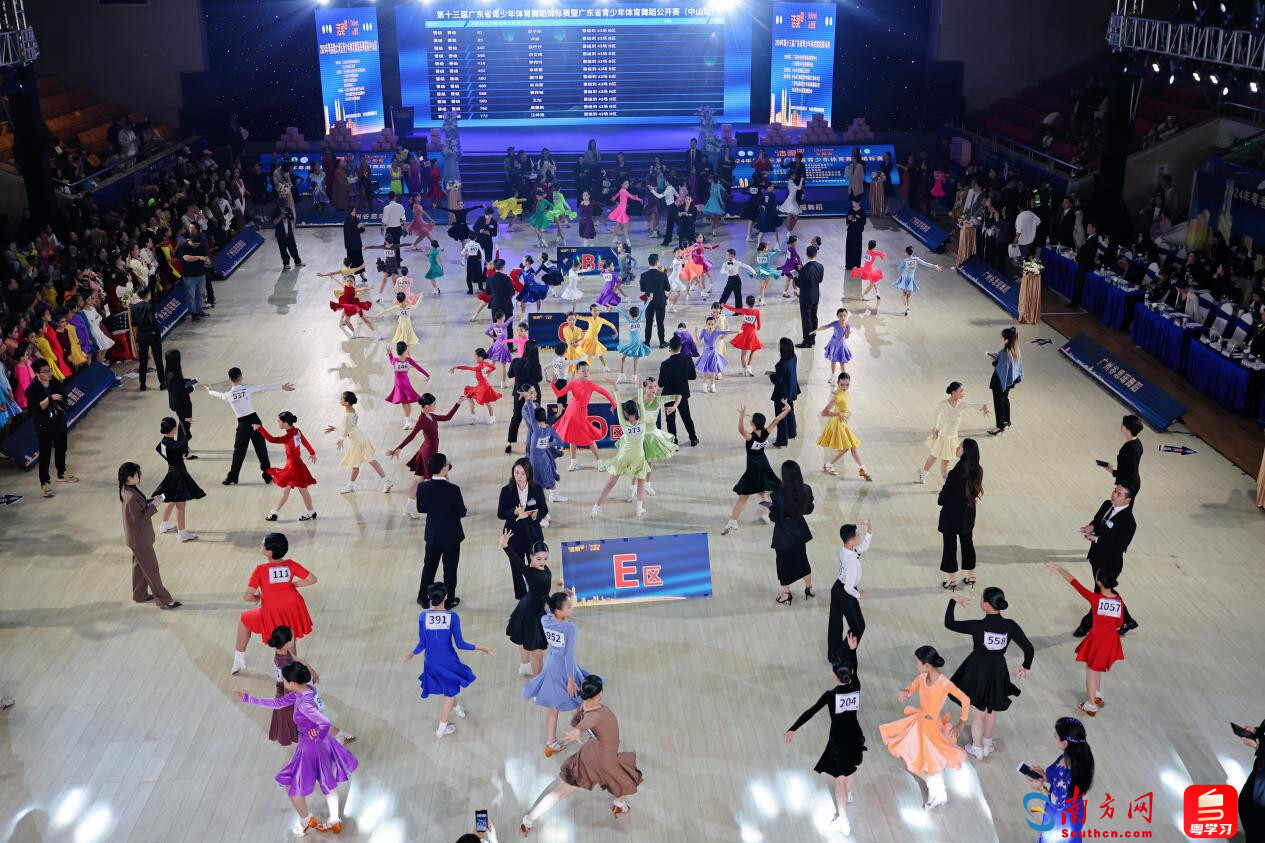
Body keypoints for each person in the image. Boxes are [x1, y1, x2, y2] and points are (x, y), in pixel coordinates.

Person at [233, 662, 358, 835]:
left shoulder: (304, 703)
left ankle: (306, 820)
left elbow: (325, 722)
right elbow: (278, 703)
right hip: (322, 744)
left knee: (290, 784)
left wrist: (316, 736)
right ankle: (334, 821)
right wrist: (248, 699)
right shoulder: (306, 690)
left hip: (311, 746)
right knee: (328, 783)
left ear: (292, 682)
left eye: (284, 679)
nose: (282, 681)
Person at [519, 675, 642, 835]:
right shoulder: (598, 714)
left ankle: (528, 820)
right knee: (621, 777)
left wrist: (576, 732)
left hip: (592, 752)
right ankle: (619, 803)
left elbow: (582, 723)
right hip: (603, 758)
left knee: (565, 790)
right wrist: (574, 733)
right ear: (599, 694)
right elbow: (584, 724)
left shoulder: (584, 706)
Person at [878, 645, 970, 810]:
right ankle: (936, 788)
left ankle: (937, 791)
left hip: (931, 728)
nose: (915, 665)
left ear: (926, 665)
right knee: (911, 757)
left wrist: (961, 723)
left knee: (931, 760)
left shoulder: (944, 683)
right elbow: (911, 687)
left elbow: (965, 700)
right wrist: (906, 692)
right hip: (919, 723)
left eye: (917, 662)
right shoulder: (922, 677)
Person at [945, 589, 1034, 760]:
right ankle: (987, 743)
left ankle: (977, 748)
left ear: (985, 605)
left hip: (978, 670)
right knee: (991, 708)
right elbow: (1029, 649)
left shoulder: (978, 626)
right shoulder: (1010, 625)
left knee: (978, 711)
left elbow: (949, 623)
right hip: (998, 670)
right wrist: (1026, 666)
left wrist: (953, 602)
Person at [784, 655, 865, 836]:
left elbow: (811, 711)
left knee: (840, 779)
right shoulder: (856, 686)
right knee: (851, 768)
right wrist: (852, 651)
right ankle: (846, 795)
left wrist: (793, 728)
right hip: (855, 736)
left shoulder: (831, 695)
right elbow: (856, 668)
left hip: (839, 740)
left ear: (835, 676)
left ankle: (843, 821)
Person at [403, 583, 494, 738]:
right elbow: (460, 644)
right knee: (449, 693)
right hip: (448, 661)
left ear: (429, 597)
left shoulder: (423, 617)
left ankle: (456, 707)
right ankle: (441, 729)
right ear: (446, 597)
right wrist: (481, 647)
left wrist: (411, 654)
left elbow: (422, 644)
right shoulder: (453, 617)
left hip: (431, 661)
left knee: (448, 686)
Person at [1043, 563, 1125, 717]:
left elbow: (1075, 583)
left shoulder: (1095, 599)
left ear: (1098, 582)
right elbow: (1119, 623)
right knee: (1097, 666)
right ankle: (1097, 694)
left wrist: (1059, 568)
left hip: (1097, 640)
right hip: (1111, 640)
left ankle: (1091, 705)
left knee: (1091, 671)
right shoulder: (1119, 600)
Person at [232, 533, 316, 675]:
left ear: (269, 552)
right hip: (293, 606)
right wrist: (293, 584)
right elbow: (312, 579)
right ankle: (292, 672)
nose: (261, 545)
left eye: (263, 544)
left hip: (273, 609)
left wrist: (257, 598)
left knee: (244, 619)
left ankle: (238, 660)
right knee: (289, 638)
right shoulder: (291, 564)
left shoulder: (260, 570)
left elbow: (247, 596)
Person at [526, 590, 591, 754]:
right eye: (568, 606)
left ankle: (551, 742)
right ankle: (585, 726)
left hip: (551, 664)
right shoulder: (570, 628)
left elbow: (550, 613)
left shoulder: (545, 620)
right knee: (584, 695)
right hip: (565, 667)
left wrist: (564, 596)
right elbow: (569, 656)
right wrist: (571, 680)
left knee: (553, 707)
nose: (572, 608)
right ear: (558, 610)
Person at [206, 369, 295, 486]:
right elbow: (263, 387)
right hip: (255, 421)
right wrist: (281, 387)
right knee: (261, 449)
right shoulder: (247, 389)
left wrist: (209, 391)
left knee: (239, 452)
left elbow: (220, 395)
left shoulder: (228, 395)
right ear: (241, 377)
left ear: (230, 379)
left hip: (243, 425)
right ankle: (267, 476)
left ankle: (233, 477)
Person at [1073, 484, 1139, 637]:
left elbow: (1119, 547)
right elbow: (1098, 521)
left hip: (1110, 563)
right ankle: (1128, 620)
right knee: (1105, 592)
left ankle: (1086, 624)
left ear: (1127, 500)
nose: (1114, 494)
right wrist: (1091, 527)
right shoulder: (1107, 504)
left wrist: (1097, 539)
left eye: (1119, 494)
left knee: (1099, 595)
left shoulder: (1129, 522)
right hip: (1096, 557)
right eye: (1115, 491)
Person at [722, 400, 792, 534]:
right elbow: (777, 419)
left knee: (744, 496)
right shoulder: (767, 432)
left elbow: (740, 430)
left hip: (753, 467)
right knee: (762, 492)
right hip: (764, 464)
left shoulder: (750, 437)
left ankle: (733, 521)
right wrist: (787, 409)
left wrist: (741, 417)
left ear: (753, 424)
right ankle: (766, 514)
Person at [118, 462, 180, 609]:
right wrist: (154, 506)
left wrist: (151, 501)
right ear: (130, 478)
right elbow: (139, 519)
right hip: (140, 540)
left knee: (140, 567)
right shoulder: (131, 496)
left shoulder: (128, 490)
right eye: (136, 474)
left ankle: (139, 594)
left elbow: (139, 508)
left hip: (135, 539)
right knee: (152, 569)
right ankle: (164, 600)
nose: (139, 475)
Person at [389, 393, 463, 516]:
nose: (436, 405)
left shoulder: (431, 416)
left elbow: (448, 417)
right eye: (434, 404)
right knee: (440, 479)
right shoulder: (422, 420)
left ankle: (408, 508)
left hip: (429, 452)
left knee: (421, 482)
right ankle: (450, 506)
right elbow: (411, 436)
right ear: (427, 406)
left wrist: (458, 403)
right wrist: (399, 448)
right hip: (428, 455)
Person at [1024, 718, 1095, 842]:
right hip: (1075, 808)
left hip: (1060, 819)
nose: (1055, 737)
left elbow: (1056, 803)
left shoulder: (1064, 768)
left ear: (1065, 743)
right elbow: (1065, 783)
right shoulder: (1081, 757)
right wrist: (1045, 777)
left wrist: (1040, 788)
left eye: (1056, 735)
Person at [498, 458, 549, 600]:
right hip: (513, 535)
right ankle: (522, 597)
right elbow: (500, 513)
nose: (519, 476)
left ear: (528, 474)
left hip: (532, 534)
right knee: (516, 567)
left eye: (522, 473)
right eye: (516, 472)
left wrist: (535, 516)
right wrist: (514, 512)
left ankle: (537, 594)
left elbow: (544, 509)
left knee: (536, 566)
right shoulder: (506, 491)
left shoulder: (536, 489)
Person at [551, 360, 617, 471]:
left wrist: (614, 404)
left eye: (587, 370)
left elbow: (605, 392)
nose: (586, 372)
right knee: (572, 438)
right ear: (577, 372)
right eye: (583, 371)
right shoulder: (573, 383)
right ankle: (573, 462)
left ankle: (599, 462)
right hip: (570, 414)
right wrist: (552, 384)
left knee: (589, 439)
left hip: (581, 416)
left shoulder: (590, 385)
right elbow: (559, 393)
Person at [591, 399, 651, 518]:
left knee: (610, 483)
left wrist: (615, 390)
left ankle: (596, 507)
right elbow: (640, 399)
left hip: (624, 456)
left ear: (626, 414)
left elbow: (618, 404)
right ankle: (639, 509)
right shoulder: (642, 422)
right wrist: (639, 388)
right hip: (638, 456)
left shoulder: (624, 423)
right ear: (637, 410)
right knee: (641, 480)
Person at [255, 412, 318, 522]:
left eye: (279, 421)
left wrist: (260, 428)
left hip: (293, 467)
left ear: (285, 423)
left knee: (297, 490)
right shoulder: (296, 431)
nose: (277, 423)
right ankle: (310, 512)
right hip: (297, 464)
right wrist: (312, 452)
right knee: (299, 490)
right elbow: (304, 441)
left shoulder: (288, 436)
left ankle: (275, 513)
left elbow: (271, 439)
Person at [920, 382, 988, 484]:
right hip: (943, 435)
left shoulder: (962, 405)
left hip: (952, 437)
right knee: (933, 456)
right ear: (953, 392)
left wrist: (984, 406)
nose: (963, 393)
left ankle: (946, 483)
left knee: (945, 461)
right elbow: (937, 414)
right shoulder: (943, 404)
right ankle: (924, 473)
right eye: (961, 391)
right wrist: (935, 426)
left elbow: (973, 406)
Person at [938, 438, 984, 590]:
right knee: (967, 543)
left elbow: (944, 496)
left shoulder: (956, 473)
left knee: (950, 546)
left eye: (960, 446)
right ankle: (971, 576)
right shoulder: (978, 470)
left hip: (951, 514)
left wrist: (941, 497)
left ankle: (952, 580)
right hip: (968, 513)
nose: (957, 447)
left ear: (965, 452)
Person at [323, 390, 390, 494]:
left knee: (357, 463)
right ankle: (386, 481)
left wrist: (340, 439)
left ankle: (351, 486)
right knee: (365, 462)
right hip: (360, 438)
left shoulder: (347, 415)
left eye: (341, 398)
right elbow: (348, 428)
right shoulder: (351, 410)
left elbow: (346, 430)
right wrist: (335, 429)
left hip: (357, 442)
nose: (339, 400)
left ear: (346, 402)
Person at [504, 533, 552, 677]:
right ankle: (536, 680)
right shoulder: (530, 572)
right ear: (531, 557)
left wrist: (553, 605)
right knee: (538, 652)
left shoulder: (545, 569)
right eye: (538, 558)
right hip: (530, 612)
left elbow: (545, 593)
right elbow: (517, 562)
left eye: (545, 558)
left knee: (526, 640)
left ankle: (525, 667)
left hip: (534, 608)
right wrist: (505, 546)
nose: (542, 562)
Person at [25, 359, 75, 497]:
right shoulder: (32, 390)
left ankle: (61, 472)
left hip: (58, 421)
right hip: (44, 425)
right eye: (45, 372)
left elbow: (63, 396)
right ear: (37, 373)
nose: (49, 373)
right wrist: (50, 398)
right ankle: (45, 482)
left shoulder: (55, 382)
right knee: (45, 454)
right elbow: (37, 408)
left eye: (50, 370)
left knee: (61, 447)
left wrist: (62, 405)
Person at [769, 460, 815, 604]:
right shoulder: (806, 489)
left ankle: (786, 594)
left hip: (783, 534)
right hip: (800, 530)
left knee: (783, 564)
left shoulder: (777, 495)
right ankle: (809, 589)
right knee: (802, 559)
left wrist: (770, 509)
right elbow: (809, 509)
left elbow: (774, 517)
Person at [828, 520, 873, 667]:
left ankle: (833, 653)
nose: (859, 535)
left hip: (837, 588)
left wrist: (869, 529)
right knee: (858, 627)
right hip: (845, 593)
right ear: (852, 539)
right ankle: (840, 656)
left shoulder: (847, 549)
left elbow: (863, 547)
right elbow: (848, 587)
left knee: (835, 622)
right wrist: (859, 595)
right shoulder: (851, 561)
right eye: (857, 534)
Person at [153, 417, 203, 542]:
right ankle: (182, 533)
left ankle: (164, 525)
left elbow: (160, 450)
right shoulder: (174, 445)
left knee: (172, 500)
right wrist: (184, 424)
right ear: (174, 429)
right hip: (179, 474)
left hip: (171, 473)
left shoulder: (163, 443)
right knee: (181, 504)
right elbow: (187, 437)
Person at [817, 372, 870, 480]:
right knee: (846, 447)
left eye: (847, 385)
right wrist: (838, 413)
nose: (845, 387)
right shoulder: (837, 396)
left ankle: (863, 469)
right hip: (838, 424)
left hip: (842, 423)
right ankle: (828, 466)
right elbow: (824, 413)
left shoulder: (843, 393)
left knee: (853, 447)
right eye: (842, 384)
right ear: (838, 383)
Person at [658, 336, 698, 445]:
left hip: (668, 396)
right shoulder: (687, 359)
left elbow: (660, 384)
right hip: (682, 393)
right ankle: (693, 438)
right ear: (680, 347)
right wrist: (683, 378)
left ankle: (674, 442)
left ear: (669, 348)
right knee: (686, 417)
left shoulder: (665, 364)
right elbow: (693, 376)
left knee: (670, 420)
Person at [505, 339, 542, 453]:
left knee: (516, 417)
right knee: (535, 418)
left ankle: (509, 443)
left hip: (519, 392)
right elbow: (539, 379)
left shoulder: (516, 361)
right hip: (534, 394)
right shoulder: (536, 365)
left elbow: (509, 374)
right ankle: (534, 443)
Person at [128, 284, 166, 392]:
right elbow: (152, 321)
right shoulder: (150, 306)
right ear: (148, 295)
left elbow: (134, 323)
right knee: (158, 359)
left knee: (143, 360)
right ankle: (162, 383)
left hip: (142, 335)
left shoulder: (134, 307)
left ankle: (142, 384)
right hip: (153, 334)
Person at [987, 327, 1023, 435]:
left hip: (999, 382)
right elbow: (1013, 366)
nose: (1001, 338)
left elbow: (1000, 367)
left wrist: (995, 360)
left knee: (998, 403)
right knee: (1005, 399)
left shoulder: (1004, 353)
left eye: (1002, 337)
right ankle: (1007, 421)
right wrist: (998, 357)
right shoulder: (1016, 349)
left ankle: (999, 427)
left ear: (1006, 340)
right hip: (1009, 381)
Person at [1234, 717, 1265, 839]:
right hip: (1260, 770)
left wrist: (1256, 747)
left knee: (1258, 815)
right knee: (1245, 803)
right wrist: (1256, 731)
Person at [893, 245, 942, 316]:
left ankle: (906, 307)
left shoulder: (905, 261)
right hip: (911, 278)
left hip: (904, 277)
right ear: (912, 252)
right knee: (908, 295)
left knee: (903, 294)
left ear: (906, 253)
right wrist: (934, 266)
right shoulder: (916, 259)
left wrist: (900, 266)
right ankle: (907, 307)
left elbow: (898, 268)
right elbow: (925, 263)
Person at [177, 222, 211, 320]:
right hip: (189, 276)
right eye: (194, 244)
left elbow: (206, 256)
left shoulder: (200, 246)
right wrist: (199, 257)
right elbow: (186, 258)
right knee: (191, 295)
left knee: (200, 294)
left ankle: (200, 310)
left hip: (200, 274)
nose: (196, 246)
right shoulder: (184, 247)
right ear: (191, 241)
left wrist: (207, 261)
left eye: (198, 244)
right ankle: (194, 313)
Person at [1103, 414, 1143, 497]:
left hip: (1128, 485)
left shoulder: (1130, 448)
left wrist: (1113, 471)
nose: (1121, 426)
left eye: (1123, 425)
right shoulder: (1137, 442)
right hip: (1130, 482)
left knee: (1119, 505)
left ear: (1128, 429)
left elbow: (1129, 471)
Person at [770, 337, 800, 448]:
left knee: (781, 416)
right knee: (790, 411)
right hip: (791, 390)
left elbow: (777, 381)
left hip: (782, 395)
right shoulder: (794, 357)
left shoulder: (781, 364)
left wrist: (772, 376)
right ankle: (792, 432)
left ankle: (782, 440)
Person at [164, 349, 196, 449]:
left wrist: (189, 381)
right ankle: (183, 448)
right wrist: (192, 387)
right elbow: (180, 391)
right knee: (185, 426)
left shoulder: (169, 371)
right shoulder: (174, 375)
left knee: (183, 424)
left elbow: (179, 384)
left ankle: (182, 446)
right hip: (183, 405)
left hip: (177, 404)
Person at [639, 254, 671, 347]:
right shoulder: (663, 274)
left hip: (649, 302)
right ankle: (662, 342)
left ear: (649, 262)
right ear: (657, 262)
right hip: (660, 302)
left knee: (648, 322)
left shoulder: (643, 275)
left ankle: (647, 342)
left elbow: (642, 289)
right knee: (660, 323)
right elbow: (668, 288)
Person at [795, 245, 825, 348]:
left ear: (806, 254)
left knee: (806, 319)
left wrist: (795, 276)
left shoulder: (805, 269)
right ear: (816, 254)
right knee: (813, 316)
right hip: (816, 296)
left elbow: (800, 283)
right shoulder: (820, 266)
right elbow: (819, 280)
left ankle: (807, 341)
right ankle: (812, 338)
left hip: (806, 297)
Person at [1072, 221, 1099, 307]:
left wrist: (1076, 258)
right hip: (1084, 263)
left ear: (1094, 229)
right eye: (1087, 227)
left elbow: (1085, 252)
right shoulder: (1091, 238)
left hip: (1085, 265)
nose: (1087, 229)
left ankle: (1075, 302)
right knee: (1078, 283)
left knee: (1079, 284)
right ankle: (1075, 301)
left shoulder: (1093, 239)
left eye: (1089, 227)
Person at [844, 199, 866, 271]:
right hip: (850, 232)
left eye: (854, 202)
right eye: (852, 202)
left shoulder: (862, 211)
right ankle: (849, 265)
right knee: (849, 247)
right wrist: (849, 219)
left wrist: (857, 220)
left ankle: (856, 265)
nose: (853, 204)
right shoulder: (850, 209)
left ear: (858, 203)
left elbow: (864, 222)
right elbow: (847, 220)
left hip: (857, 233)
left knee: (857, 248)